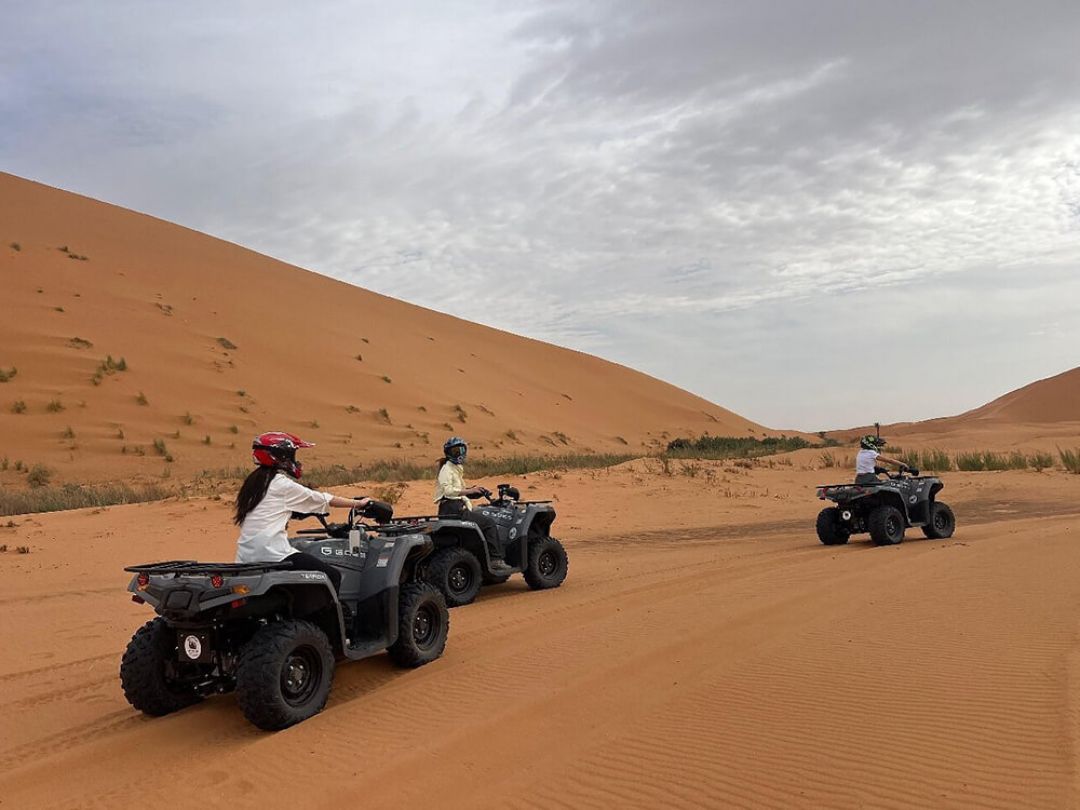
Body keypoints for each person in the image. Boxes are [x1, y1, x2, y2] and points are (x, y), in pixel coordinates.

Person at [234, 431, 371, 592]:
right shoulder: (281, 484)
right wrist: (358, 504)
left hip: (245, 556)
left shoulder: (254, 482)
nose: (295, 460)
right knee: (332, 576)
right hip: (273, 553)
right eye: (292, 455)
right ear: (282, 456)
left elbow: (268, 510)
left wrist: (297, 513)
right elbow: (322, 499)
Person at [434, 436, 512, 575]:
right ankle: (496, 560)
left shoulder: (455, 469)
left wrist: (476, 491)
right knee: (488, 523)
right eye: (455, 451)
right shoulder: (447, 469)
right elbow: (448, 491)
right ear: (448, 453)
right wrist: (470, 491)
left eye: (461, 450)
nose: (459, 454)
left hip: (455, 507)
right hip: (453, 509)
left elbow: (459, 491)